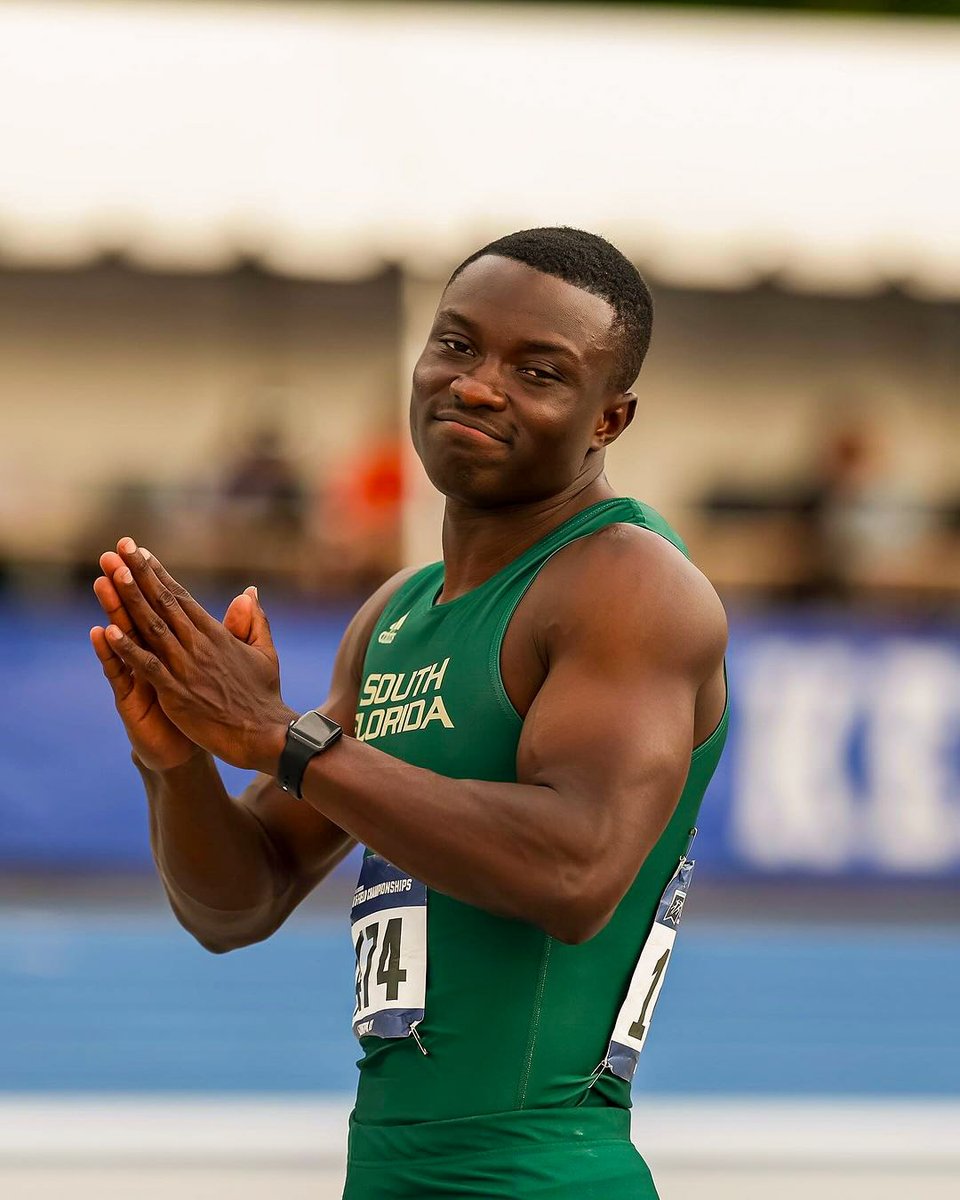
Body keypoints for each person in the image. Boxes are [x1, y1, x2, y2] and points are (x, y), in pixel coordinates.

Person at [90, 227, 728, 1199]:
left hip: (543, 1171)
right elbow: (239, 902)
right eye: (457, 345)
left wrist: (282, 737)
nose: (475, 385)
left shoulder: (631, 586)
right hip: (386, 1171)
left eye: (540, 370)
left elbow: (576, 869)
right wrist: (175, 760)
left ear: (610, 419)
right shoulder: (394, 617)